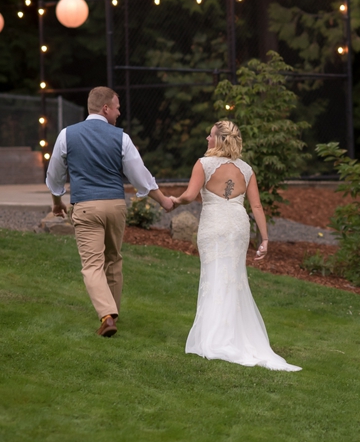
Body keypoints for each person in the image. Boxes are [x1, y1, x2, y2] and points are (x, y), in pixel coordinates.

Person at [171, 120, 301, 371]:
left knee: (214, 276)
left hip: (214, 225)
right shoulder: (247, 169)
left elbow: (189, 195)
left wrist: (175, 201)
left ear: (219, 140)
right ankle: (232, 334)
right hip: (238, 226)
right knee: (233, 277)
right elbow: (257, 207)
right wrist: (264, 239)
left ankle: (215, 337)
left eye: (210, 136)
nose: (207, 140)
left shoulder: (204, 164)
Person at [46, 86, 174, 338]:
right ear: (105, 108)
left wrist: (57, 202)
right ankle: (113, 314)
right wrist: (163, 201)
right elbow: (140, 175)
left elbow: (54, 176)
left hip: (86, 206)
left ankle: (106, 315)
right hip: (115, 206)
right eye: (116, 108)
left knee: (92, 265)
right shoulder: (121, 138)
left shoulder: (66, 135)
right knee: (113, 259)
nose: (118, 114)